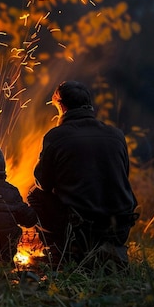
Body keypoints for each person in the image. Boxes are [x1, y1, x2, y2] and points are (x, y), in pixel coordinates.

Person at [29, 80, 138, 268]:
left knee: (35, 195)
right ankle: (109, 248)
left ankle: (61, 250)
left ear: (61, 106)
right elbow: (123, 175)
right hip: (119, 227)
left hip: (81, 229)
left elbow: (43, 183)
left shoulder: (56, 136)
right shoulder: (117, 135)